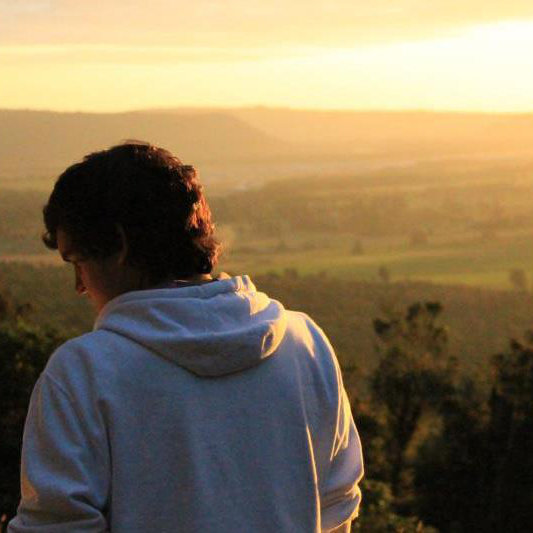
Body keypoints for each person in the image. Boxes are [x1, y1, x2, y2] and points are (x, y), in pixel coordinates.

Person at [8, 142, 363, 533]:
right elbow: (337, 510)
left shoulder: (83, 373)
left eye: (78, 262)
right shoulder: (304, 345)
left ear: (120, 245)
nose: (79, 285)